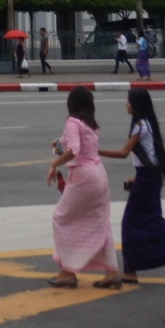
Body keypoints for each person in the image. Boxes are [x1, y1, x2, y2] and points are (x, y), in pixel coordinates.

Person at [46, 86, 122, 289]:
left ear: (71, 104)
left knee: (61, 217)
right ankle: (112, 271)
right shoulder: (90, 124)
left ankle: (67, 271)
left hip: (83, 176)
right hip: (98, 174)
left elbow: (74, 150)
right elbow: (71, 147)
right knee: (100, 220)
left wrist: (54, 164)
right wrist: (57, 148)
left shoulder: (72, 122)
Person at [100, 87, 165, 283]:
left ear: (136, 104)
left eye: (128, 101)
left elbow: (123, 153)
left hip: (147, 180)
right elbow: (150, 155)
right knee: (150, 219)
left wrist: (95, 151)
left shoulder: (140, 126)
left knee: (131, 222)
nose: (126, 104)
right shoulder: (147, 123)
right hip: (149, 177)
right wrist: (138, 176)